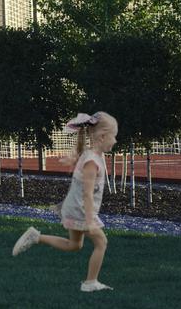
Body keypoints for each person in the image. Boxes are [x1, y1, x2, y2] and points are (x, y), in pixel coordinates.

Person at [12, 111, 118, 293]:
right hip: (80, 209)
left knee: (74, 245)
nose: (115, 141)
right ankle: (90, 283)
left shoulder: (91, 155)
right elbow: (87, 194)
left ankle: (36, 237)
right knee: (101, 242)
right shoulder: (92, 162)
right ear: (102, 137)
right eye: (113, 136)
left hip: (74, 207)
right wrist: (91, 221)